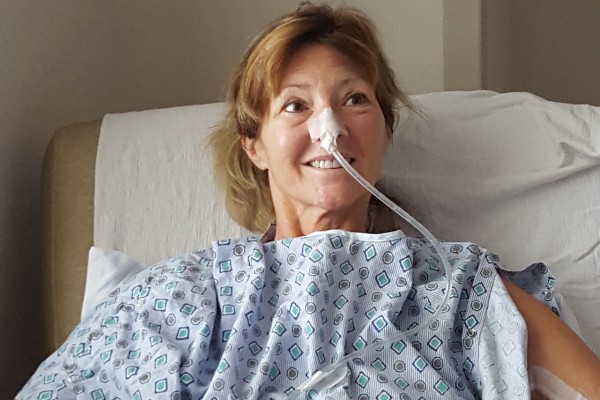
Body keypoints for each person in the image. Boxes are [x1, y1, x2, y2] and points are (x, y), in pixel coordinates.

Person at [17, 3, 600, 399]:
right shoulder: (183, 298)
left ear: (384, 132)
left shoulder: (464, 291)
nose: (330, 127)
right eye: (295, 106)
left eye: (355, 99)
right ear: (254, 145)